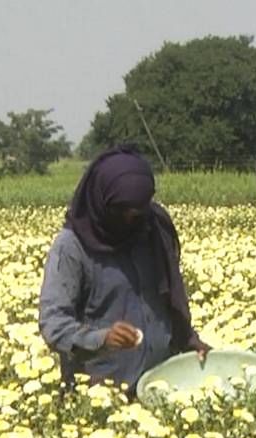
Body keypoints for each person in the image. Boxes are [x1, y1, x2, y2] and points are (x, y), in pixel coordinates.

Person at [39, 147, 208, 393]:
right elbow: (53, 322)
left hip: (160, 383)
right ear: (101, 200)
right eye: (121, 211)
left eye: (138, 211)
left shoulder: (152, 230)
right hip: (101, 393)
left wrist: (189, 341)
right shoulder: (72, 248)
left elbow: (169, 300)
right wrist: (102, 338)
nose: (131, 219)